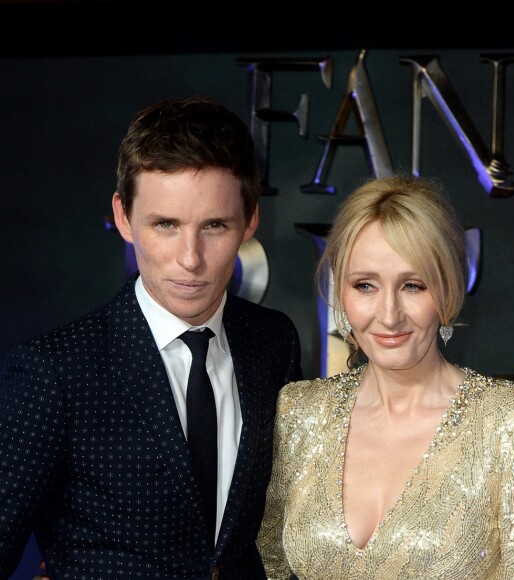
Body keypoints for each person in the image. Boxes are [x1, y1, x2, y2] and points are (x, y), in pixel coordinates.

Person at [0, 94, 303, 579]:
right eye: (165, 224)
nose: (190, 258)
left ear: (250, 219)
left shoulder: (274, 343)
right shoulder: (53, 371)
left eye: (214, 226)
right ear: (123, 217)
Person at [256, 174, 514, 579]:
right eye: (365, 285)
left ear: (448, 289)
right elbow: (269, 565)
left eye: (413, 285)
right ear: (342, 291)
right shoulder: (298, 413)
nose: (388, 315)